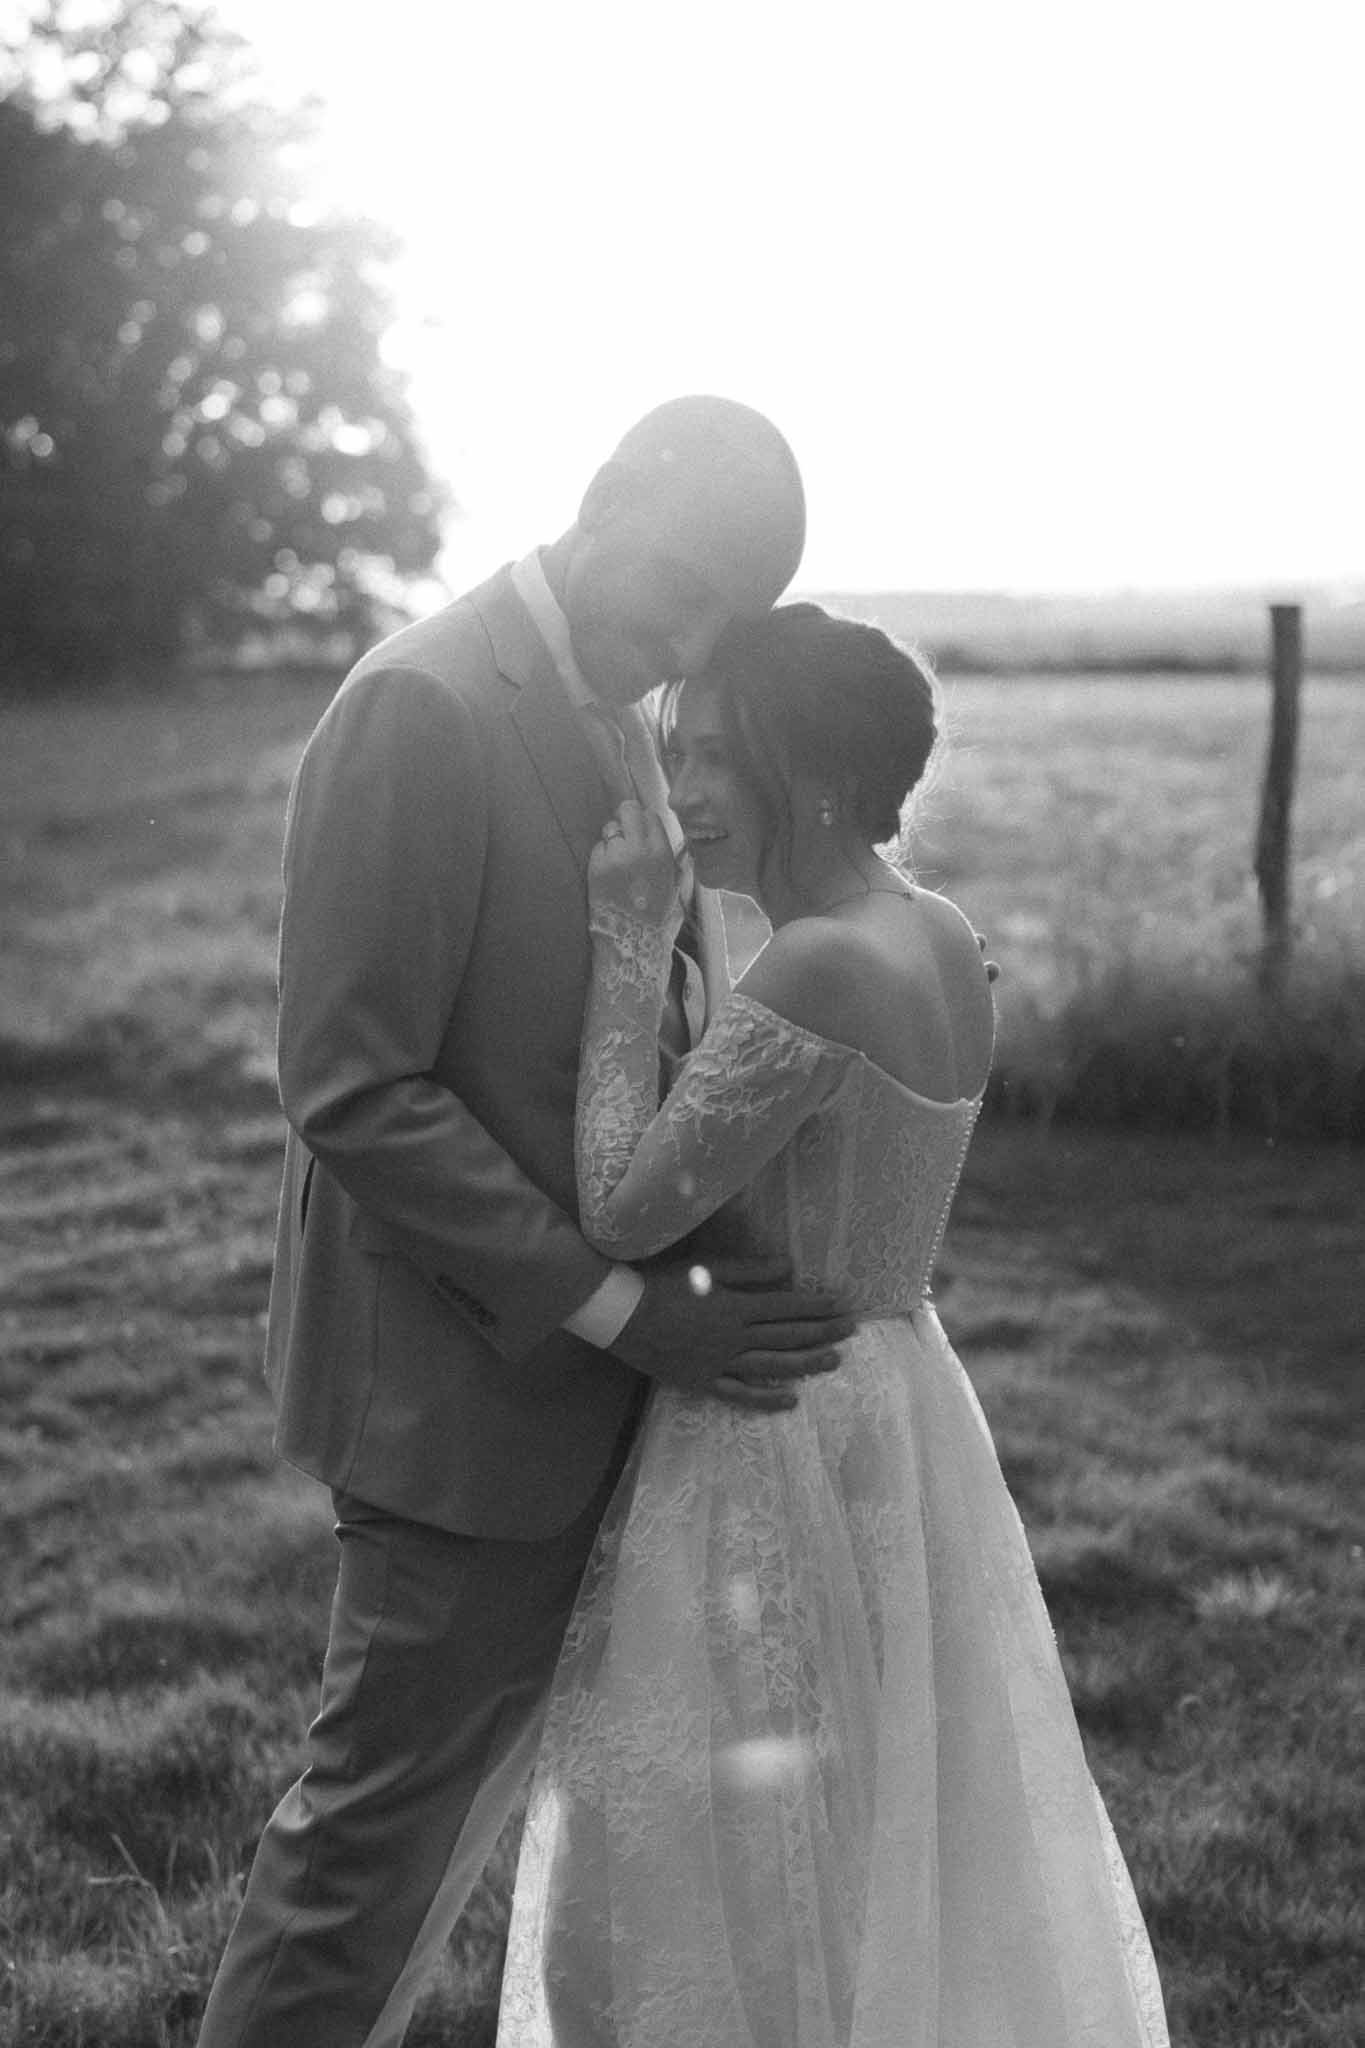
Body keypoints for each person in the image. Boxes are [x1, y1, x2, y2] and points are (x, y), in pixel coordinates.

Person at [196, 399, 860, 2048]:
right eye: (686, 583)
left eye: (727, 616)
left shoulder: (627, 705)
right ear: (605, 489)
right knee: (372, 1850)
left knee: (487, 1835)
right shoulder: (421, 703)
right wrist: (631, 1314)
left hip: (594, 1382)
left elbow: (623, 1011)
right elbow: (352, 1088)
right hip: (459, 1388)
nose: (691, 638)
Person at [496, 603, 1169, 2047]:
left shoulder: (818, 968)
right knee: (881, 1815)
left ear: (806, 771)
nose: (678, 795)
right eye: (675, 752)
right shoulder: (932, 930)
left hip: (773, 1418)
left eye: (711, 759)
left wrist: (625, 949)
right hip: (898, 1395)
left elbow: (620, 1205)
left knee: (719, 1846)